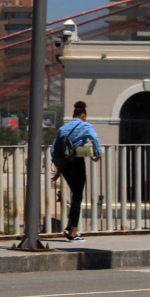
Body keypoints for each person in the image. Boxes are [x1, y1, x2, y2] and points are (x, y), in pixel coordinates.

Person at [51, 100, 102, 242]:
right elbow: (94, 138)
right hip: (77, 162)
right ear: (84, 115)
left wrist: (58, 168)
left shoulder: (64, 128)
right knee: (78, 196)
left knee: (74, 195)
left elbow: (53, 148)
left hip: (65, 164)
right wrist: (98, 155)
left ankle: (69, 227)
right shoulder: (85, 125)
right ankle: (73, 232)